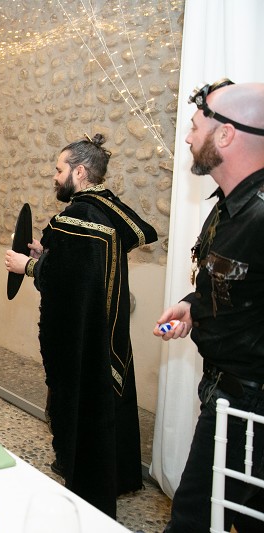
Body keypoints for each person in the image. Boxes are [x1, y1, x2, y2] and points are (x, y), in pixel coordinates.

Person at [5, 133, 156, 518]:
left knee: (82, 408)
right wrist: (46, 252)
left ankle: (87, 499)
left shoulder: (79, 217)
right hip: (105, 332)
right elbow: (82, 265)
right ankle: (114, 476)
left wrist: (29, 266)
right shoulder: (105, 209)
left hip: (84, 341)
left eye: (59, 169)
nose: (55, 176)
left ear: (80, 171)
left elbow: (70, 281)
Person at [154, 80, 264, 533]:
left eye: (195, 127)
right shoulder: (227, 207)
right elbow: (235, 289)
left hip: (249, 406)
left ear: (226, 134)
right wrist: (191, 307)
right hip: (224, 391)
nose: (187, 137)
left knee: (193, 519)